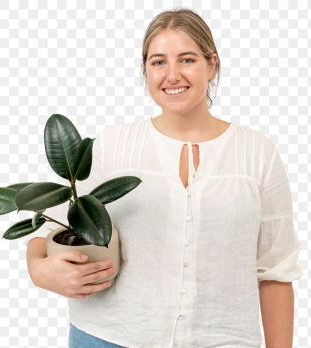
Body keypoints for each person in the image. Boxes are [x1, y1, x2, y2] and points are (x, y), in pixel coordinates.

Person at [24, 7, 303, 348]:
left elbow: (275, 270)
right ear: (145, 70)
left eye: (186, 60)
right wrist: (38, 269)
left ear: (211, 64)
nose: (172, 75)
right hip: (109, 337)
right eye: (158, 62)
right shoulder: (113, 146)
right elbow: (55, 234)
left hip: (222, 340)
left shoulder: (257, 152)